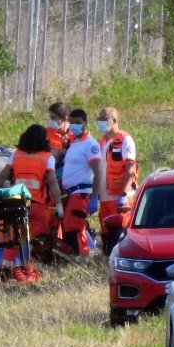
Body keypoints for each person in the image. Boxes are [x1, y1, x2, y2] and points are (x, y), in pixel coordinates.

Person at [0, 124, 64, 266]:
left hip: (17, 205)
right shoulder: (47, 158)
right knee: (38, 242)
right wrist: (59, 205)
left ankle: (3, 271)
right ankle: (31, 271)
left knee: (13, 241)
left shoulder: (16, 155)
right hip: (37, 207)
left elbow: (1, 178)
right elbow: (53, 183)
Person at [60, 108, 102, 258]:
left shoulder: (91, 144)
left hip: (82, 192)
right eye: (71, 123)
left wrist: (95, 197)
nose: (73, 126)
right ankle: (82, 253)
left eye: (77, 123)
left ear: (85, 123)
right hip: (73, 192)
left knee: (74, 225)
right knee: (71, 225)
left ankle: (80, 256)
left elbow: (98, 171)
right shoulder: (75, 142)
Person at [96, 107, 138, 255]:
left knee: (119, 232)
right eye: (98, 120)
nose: (99, 123)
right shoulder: (101, 142)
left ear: (114, 121)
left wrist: (123, 194)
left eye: (103, 119)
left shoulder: (125, 140)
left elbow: (130, 169)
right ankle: (105, 260)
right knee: (106, 232)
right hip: (105, 196)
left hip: (120, 198)